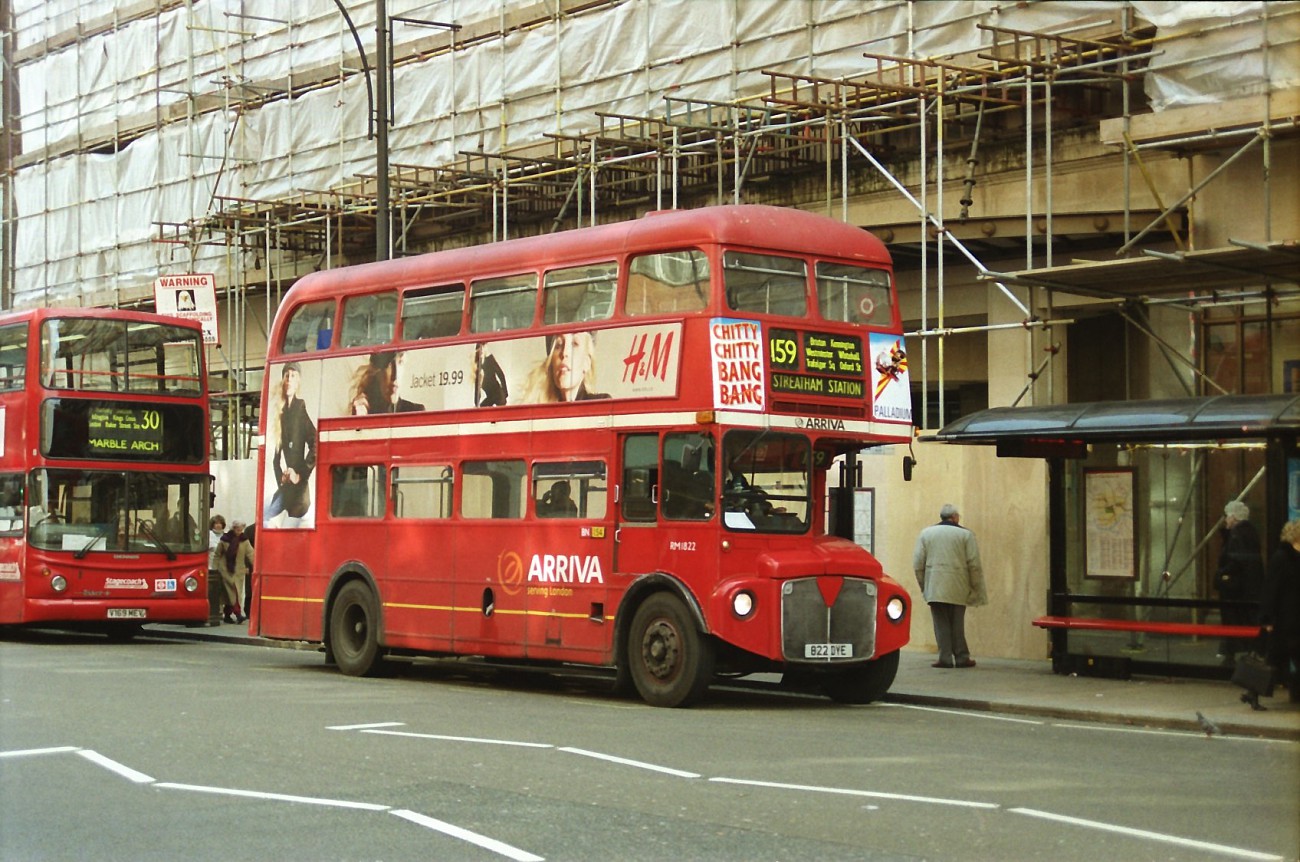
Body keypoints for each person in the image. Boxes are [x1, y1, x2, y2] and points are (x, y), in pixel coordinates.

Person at [912, 503, 987, 668]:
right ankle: (962, 657)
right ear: (955, 517)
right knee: (957, 623)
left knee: (940, 623)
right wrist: (975, 588)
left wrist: (925, 586)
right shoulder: (966, 535)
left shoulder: (926, 534)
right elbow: (973, 564)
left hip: (935, 586)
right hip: (959, 586)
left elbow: (918, 564)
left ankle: (944, 657)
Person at [263, 362, 317, 527]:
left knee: (281, 527)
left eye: (293, 376)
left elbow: (316, 442)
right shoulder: (282, 413)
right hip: (286, 488)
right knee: (265, 519)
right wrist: (281, 476)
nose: (289, 380)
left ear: (298, 381)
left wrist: (299, 474)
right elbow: (276, 457)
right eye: (286, 375)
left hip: (299, 492)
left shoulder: (300, 407)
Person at [1215, 500, 1265, 663]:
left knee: (1234, 620)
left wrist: (1221, 574)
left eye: (1228, 516)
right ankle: (1248, 652)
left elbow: (1235, 561)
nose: (1226, 520)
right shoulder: (1250, 533)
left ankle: (1231, 655)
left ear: (1234, 517)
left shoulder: (1237, 535)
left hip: (1236, 589)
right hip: (1249, 588)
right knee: (1247, 620)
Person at [1259, 518, 1300, 705]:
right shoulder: (1282, 558)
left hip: (1295, 618)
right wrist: (1268, 619)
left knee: (1283, 659)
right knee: (1273, 660)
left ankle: (1295, 694)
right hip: (1285, 619)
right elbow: (1271, 590)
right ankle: (1254, 690)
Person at [522, 332, 609, 403]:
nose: (564, 353)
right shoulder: (542, 411)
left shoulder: (601, 403)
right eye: (558, 345)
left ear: (587, 363)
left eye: (575, 344)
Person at [349, 351, 424, 414]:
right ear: (377, 371)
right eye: (389, 365)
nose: (395, 376)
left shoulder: (415, 411)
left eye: (400, 362)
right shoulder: (363, 407)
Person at [216, 520, 254, 624]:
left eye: (241, 530)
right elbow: (217, 554)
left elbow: (251, 554)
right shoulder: (224, 540)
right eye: (238, 529)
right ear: (233, 528)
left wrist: (256, 565)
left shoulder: (244, 541)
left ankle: (227, 615)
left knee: (232, 593)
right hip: (225, 569)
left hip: (238, 571)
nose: (239, 532)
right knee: (233, 593)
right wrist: (214, 568)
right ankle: (238, 614)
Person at [207, 514, 226, 626]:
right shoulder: (209, 535)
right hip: (212, 566)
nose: (218, 525)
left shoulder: (226, 535)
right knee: (213, 590)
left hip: (223, 567)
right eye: (216, 523)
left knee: (223, 590)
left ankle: (221, 610)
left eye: (220, 523)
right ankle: (214, 611)